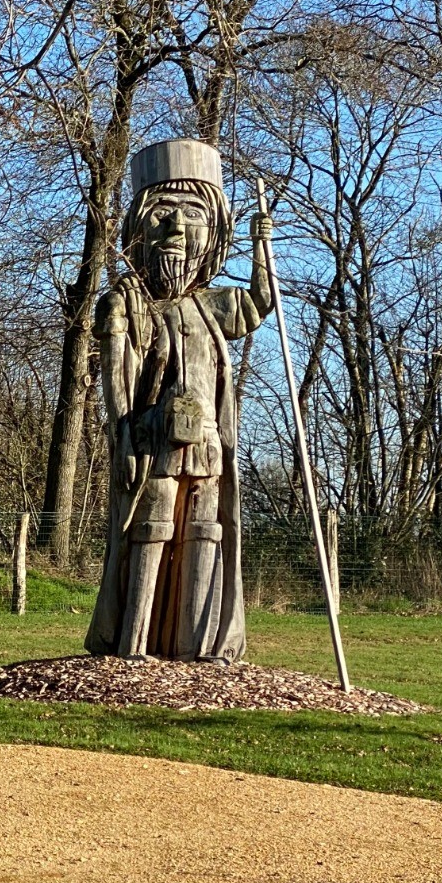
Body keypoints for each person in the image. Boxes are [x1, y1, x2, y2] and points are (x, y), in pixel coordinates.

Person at [86, 138, 274, 661]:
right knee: (151, 528)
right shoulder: (126, 302)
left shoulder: (213, 305)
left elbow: (261, 302)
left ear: (213, 233)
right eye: (162, 212)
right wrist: (124, 435)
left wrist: (262, 245)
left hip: (208, 443)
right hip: (154, 441)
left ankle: (196, 645)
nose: (175, 228)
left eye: (192, 214)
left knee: (204, 530)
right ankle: (133, 644)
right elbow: (116, 378)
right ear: (137, 228)